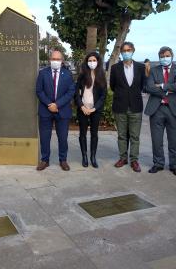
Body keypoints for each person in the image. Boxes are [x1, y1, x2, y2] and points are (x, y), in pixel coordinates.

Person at [36, 50, 76, 171]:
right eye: (53, 59)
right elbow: (39, 91)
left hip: (62, 111)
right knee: (44, 137)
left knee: (63, 137)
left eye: (58, 59)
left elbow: (71, 92)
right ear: (49, 60)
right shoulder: (43, 73)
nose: (55, 61)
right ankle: (45, 160)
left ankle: (63, 160)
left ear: (62, 61)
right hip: (45, 110)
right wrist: (49, 104)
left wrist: (57, 104)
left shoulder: (68, 74)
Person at [110, 42, 146, 172]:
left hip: (136, 106)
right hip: (120, 106)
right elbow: (113, 86)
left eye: (128, 50)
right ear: (121, 52)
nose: (126, 52)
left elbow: (142, 85)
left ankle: (134, 160)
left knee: (135, 136)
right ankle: (123, 158)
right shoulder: (115, 68)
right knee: (122, 135)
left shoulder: (141, 67)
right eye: (124, 50)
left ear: (133, 51)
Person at [145, 47, 176, 176]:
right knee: (156, 140)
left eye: (167, 56)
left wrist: (162, 86)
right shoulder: (153, 70)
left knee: (173, 140)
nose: (164, 58)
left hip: (173, 109)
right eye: (162, 56)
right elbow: (149, 87)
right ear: (159, 57)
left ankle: (174, 165)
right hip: (156, 109)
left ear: (172, 56)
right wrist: (170, 89)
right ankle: (158, 163)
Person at [75, 51, 107, 168]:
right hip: (82, 109)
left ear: (98, 62)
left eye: (94, 60)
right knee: (82, 133)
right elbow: (76, 93)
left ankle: (93, 157)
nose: (92, 62)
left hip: (95, 110)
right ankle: (84, 156)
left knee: (94, 134)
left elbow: (103, 95)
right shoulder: (82, 75)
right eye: (90, 60)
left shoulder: (101, 75)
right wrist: (81, 106)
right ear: (86, 62)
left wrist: (94, 108)